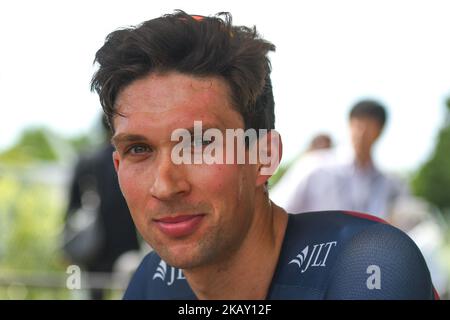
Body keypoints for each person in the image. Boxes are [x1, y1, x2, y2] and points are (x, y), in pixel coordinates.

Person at [90, 10, 438, 299]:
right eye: (139, 149)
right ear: (118, 165)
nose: (165, 186)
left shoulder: (369, 263)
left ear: (264, 155)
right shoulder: (152, 281)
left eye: (198, 144)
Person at [280, 100, 408, 220]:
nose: (362, 133)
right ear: (349, 124)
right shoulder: (314, 166)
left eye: (369, 127)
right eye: (358, 125)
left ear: (380, 131)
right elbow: (280, 208)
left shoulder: (389, 184)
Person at [64, 116, 140, 299]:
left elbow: (72, 204)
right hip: (126, 239)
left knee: (94, 292)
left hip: (93, 244)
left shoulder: (87, 160)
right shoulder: (132, 157)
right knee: (130, 291)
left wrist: (68, 238)